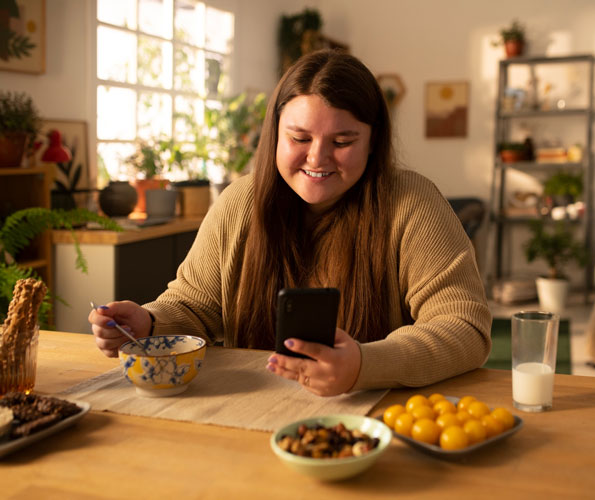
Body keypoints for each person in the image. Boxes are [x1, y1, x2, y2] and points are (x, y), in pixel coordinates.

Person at [89, 49, 492, 397]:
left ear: (373, 142)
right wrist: (149, 321)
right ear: (275, 135)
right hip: (248, 411)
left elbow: (465, 327)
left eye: (342, 142)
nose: (317, 159)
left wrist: (365, 365)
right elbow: (194, 306)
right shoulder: (238, 203)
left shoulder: (412, 203)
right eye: (299, 138)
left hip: (370, 420)